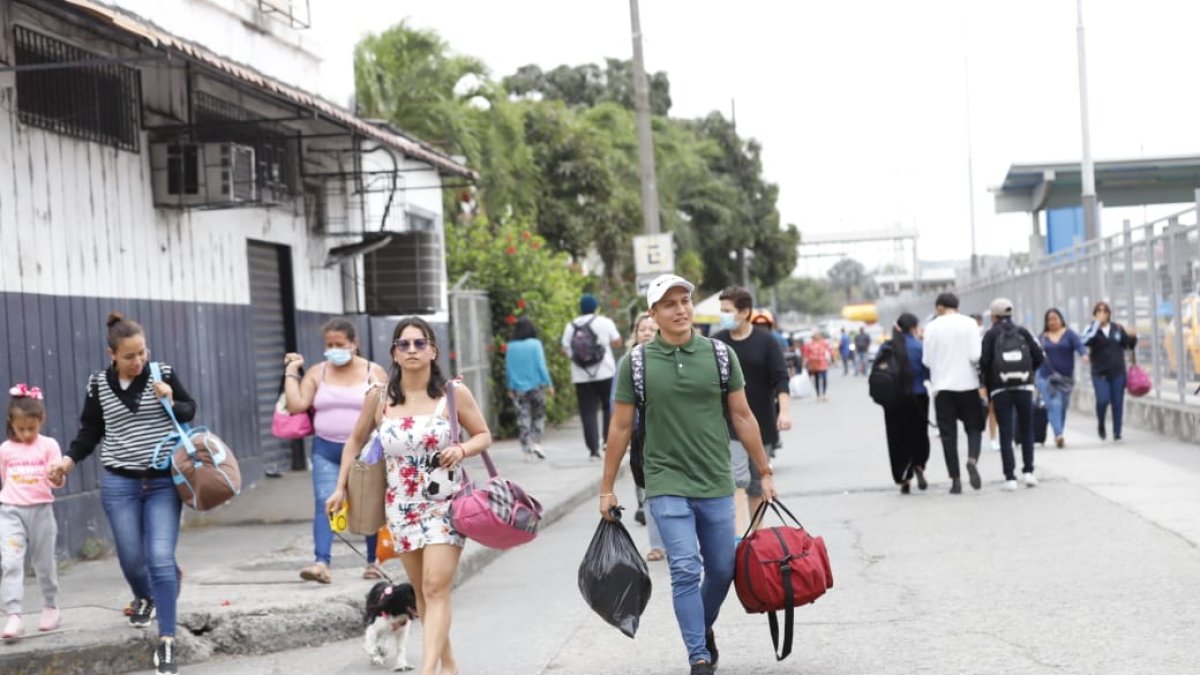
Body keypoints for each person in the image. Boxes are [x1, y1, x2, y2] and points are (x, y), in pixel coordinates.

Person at [601, 274, 778, 675]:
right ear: (653, 313)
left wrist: (764, 471)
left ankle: (701, 626)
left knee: (723, 569)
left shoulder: (719, 356)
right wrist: (606, 488)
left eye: (685, 301)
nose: (680, 310)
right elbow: (621, 427)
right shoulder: (637, 363)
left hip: (715, 478)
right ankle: (698, 655)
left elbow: (742, 416)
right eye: (669, 304)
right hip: (665, 480)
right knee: (684, 568)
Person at [327, 317, 491, 675]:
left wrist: (462, 449)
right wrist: (340, 487)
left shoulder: (452, 394)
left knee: (436, 586)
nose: (412, 350)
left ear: (433, 351)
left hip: (445, 505)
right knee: (421, 591)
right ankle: (449, 665)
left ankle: (428, 670)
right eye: (404, 344)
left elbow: (483, 434)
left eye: (420, 343)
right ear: (394, 353)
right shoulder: (379, 397)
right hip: (401, 507)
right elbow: (354, 441)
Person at [50, 312, 195, 674]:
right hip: (120, 483)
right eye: (129, 356)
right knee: (131, 558)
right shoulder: (98, 384)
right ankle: (145, 597)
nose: (138, 361)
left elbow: (189, 409)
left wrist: (171, 399)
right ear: (112, 354)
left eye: (142, 353)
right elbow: (90, 430)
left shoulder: (163, 372)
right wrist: (68, 461)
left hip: (163, 482)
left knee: (159, 557)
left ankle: (167, 641)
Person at [283, 318, 388, 583]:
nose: (333, 350)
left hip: (365, 451)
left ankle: (374, 561)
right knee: (324, 501)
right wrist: (291, 372)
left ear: (354, 343)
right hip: (326, 449)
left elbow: (385, 410)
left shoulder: (373, 372)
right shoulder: (317, 372)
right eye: (329, 345)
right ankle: (321, 562)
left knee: (368, 503)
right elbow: (296, 405)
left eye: (339, 344)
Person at [713, 287, 791, 532]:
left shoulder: (766, 341)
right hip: (727, 422)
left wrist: (784, 411)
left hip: (761, 422)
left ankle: (756, 534)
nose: (723, 315)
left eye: (727, 310)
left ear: (744, 312)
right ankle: (738, 534)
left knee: (757, 483)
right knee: (737, 478)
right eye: (722, 310)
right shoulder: (717, 343)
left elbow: (781, 378)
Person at [1, 384, 62, 639]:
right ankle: (14, 614)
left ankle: (51, 606)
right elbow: (5, 480)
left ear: (41, 420)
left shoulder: (48, 446)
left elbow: (57, 481)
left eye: (31, 428)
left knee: (44, 562)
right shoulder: (5, 450)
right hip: (11, 512)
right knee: (10, 562)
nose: (26, 434)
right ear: (11, 424)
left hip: (41, 511)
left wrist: (56, 476)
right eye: (20, 429)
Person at [613, 312, 666, 561]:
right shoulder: (628, 362)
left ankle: (675, 540)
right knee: (648, 488)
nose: (646, 333)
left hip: (668, 432)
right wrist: (617, 437)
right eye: (642, 329)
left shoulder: (669, 359)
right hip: (639, 435)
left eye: (651, 329)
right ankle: (657, 544)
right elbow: (616, 404)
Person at [922, 293, 985, 494]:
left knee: (948, 435)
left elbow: (926, 361)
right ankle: (972, 459)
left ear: (940, 307)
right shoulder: (970, 323)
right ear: (957, 306)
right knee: (974, 427)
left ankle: (956, 480)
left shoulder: (931, 327)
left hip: (942, 388)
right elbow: (975, 356)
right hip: (968, 385)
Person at [979, 299, 1045, 490]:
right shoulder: (1023, 331)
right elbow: (1039, 355)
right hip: (1024, 386)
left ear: (994, 316)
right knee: (1026, 428)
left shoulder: (990, 334)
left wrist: (990, 382)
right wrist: (1028, 373)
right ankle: (1028, 472)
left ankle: (1010, 477)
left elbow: (984, 362)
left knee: (1005, 431)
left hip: (1000, 388)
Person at [561, 293, 623, 459]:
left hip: (581, 376)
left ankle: (593, 450)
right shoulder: (605, 322)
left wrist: (578, 357)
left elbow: (564, 348)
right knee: (608, 407)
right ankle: (607, 442)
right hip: (606, 372)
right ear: (595, 307)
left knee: (587, 411)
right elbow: (618, 342)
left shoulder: (571, 326)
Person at [881, 314, 931, 494]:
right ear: (914, 327)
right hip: (918, 397)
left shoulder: (887, 348)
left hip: (894, 400)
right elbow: (928, 372)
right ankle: (919, 464)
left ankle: (904, 477)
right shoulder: (920, 346)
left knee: (897, 438)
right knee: (919, 435)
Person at [1081, 301, 1138, 441]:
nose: (1102, 313)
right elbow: (1085, 341)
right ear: (1094, 314)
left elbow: (1128, 345)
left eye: (1105, 311)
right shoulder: (1090, 329)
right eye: (1099, 311)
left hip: (1118, 371)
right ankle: (1101, 423)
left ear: (1109, 314)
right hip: (1099, 372)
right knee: (1102, 400)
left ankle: (1117, 432)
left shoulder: (1117, 328)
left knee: (1117, 402)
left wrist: (1132, 337)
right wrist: (1096, 325)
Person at [1036, 308, 1087, 448]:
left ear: (1061, 319)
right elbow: (1034, 353)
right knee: (1054, 404)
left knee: (1063, 406)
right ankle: (1058, 434)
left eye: (1055, 319)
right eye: (1049, 319)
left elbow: (1079, 346)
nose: (1052, 322)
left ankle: (1059, 432)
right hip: (1046, 377)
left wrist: (1084, 355)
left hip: (1065, 378)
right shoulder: (1042, 338)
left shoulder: (1069, 334)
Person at [505, 317, 554, 461]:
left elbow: (508, 369)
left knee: (523, 418)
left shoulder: (511, 346)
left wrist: (510, 386)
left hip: (518, 389)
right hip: (536, 386)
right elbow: (541, 366)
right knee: (538, 415)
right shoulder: (535, 344)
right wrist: (549, 384)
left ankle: (526, 451)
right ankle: (536, 443)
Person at [802, 331, 836, 402]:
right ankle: (818, 395)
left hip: (823, 364)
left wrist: (833, 359)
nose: (816, 337)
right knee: (816, 379)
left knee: (824, 379)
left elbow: (831, 351)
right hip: (814, 364)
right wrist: (805, 363)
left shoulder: (825, 343)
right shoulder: (809, 344)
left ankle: (824, 395)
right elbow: (806, 355)